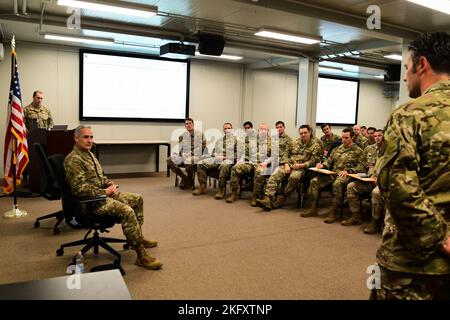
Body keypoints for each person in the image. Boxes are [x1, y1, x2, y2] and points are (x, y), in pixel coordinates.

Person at [373, 32, 450, 300]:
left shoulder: (409, 114)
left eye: (406, 68)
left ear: (422, 65)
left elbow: (397, 189)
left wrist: (441, 238)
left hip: (413, 266)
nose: (404, 77)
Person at [64, 125, 162, 270]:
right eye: (86, 137)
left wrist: (108, 183)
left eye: (91, 137)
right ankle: (141, 255)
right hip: (91, 203)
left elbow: (100, 177)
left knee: (137, 199)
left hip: (102, 195)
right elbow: (79, 190)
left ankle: (137, 238)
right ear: (76, 138)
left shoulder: (89, 154)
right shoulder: (73, 160)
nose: (90, 140)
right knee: (127, 211)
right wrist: (105, 192)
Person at [301, 127, 365, 223]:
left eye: (346, 138)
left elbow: (362, 167)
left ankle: (334, 212)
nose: (343, 139)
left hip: (346, 176)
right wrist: (322, 165)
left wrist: (349, 171)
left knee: (337, 184)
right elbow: (329, 160)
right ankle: (312, 208)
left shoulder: (358, 151)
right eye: (342, 137)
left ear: (352, 137)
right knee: (314, 181)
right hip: (333, 173)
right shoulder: (337, 149)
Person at [257, 124, 322, 211]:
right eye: (301, 133)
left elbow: (314, 161)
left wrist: (301, 165)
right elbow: (285, 155)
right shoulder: (294, 142)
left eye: (305, 133)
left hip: (301, 168)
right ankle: (268, 198)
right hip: (289, 165)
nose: (303, 135)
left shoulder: (315, 145)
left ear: (310, 132)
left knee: (294, 177)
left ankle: (282, 198)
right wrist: (286, 164)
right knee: (275, 174)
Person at [344, 129, 385, 227]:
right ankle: (356, 216)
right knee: (351, 186)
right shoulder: (369, 149)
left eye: (379, 135)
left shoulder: (389, 151)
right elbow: (366, 166)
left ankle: (375, 222)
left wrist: (379, 178)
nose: (377, 138)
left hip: (382, 182)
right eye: (375, 136)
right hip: (369, 181)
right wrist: (370, 175)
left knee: (376, 193)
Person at [226, 123, 271, 205]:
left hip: (261, 163)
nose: (263, 131)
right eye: (261, 129)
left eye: (265, 130)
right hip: (249, 162)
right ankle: (233, 193)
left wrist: (266, 162)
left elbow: (274, 156)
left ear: (268, 131)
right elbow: (245, 151)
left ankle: (255, 196)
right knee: (235, 168)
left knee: (259, 172)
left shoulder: (272, 141)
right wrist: (241, 159)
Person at [193, 122, 237, 198]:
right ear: (223, 130)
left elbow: (238, 154)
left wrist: (225, 157)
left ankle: (221, 190)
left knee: (224, 166)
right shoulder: (219, 140)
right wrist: (216, 155)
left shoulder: (236, 140)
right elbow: (214, 151)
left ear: (232, 129)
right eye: (225, 128)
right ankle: (202, 186)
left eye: (229, 128)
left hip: (228, 159)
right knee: (200, 163)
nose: (227, 130)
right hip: (217, 158)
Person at [167, 118, 206, 189]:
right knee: (169, 159)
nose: (188, 125)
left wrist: (191, 153)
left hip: (196, 155)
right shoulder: (182, 136)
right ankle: (184, 178)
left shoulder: (200, 134)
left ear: (193, 124)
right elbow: (180, 148)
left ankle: (190, 178)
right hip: (185, 155)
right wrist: (182, 153)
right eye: (187, 124)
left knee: (189, 160)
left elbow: (202, 147)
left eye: (190, 123)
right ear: (185, 125)